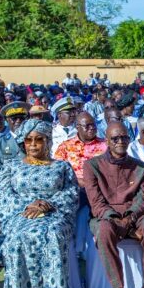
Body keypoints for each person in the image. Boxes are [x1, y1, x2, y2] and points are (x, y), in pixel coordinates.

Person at [0, 120, 80, 288]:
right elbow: (2, 196)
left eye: (38, 139)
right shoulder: (11, 167)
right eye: (28, 140)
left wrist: (47, 204)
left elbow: (71, 193)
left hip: (54, 213)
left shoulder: (62, 166)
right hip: (20, 215)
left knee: (52, 233)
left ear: (48, 141)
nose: (33, 144)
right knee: (18, 236)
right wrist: (29, 205)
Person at [84, 122, 144, 288]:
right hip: (107, 217)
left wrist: (130, 218)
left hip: (135, 216)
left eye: (124, 137)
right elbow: (96, 202)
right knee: (103, 230)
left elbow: (142, 200)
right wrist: (114, 218)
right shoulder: (92, 166)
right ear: (107, 141)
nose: (120, 141)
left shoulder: (140, 167)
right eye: (115, 138)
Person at [54, 111, 107, 261]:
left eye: (93, 125)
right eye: (87, 125)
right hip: (74, 189)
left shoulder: (105, 145)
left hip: (100, 189)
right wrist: (78, 181)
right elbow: (57, 173)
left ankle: (90, 248)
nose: (92, 128)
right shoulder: (65, 147)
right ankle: (74, 248)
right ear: (77, 127)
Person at [0, 102, 30, 184]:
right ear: (7, 120)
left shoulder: (36, 140)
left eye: (22, 118)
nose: (18, 121)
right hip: (10, 187)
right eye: (14, 118)